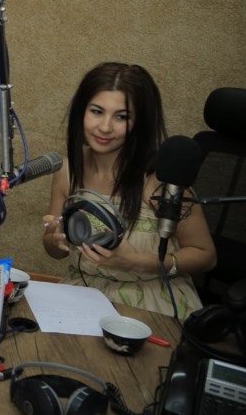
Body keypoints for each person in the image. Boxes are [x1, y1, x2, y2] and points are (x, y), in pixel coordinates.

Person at [41, 62, 216, 320]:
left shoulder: (160, 179)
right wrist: (55, 239)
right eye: (97, 111)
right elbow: (54, 249)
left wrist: (137, 262)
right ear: (81, 111)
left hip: (151, 298)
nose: (105, 127)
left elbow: (206, 256)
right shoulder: (67, 171)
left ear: (140, 123)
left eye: (121, 117)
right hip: (84, 294)